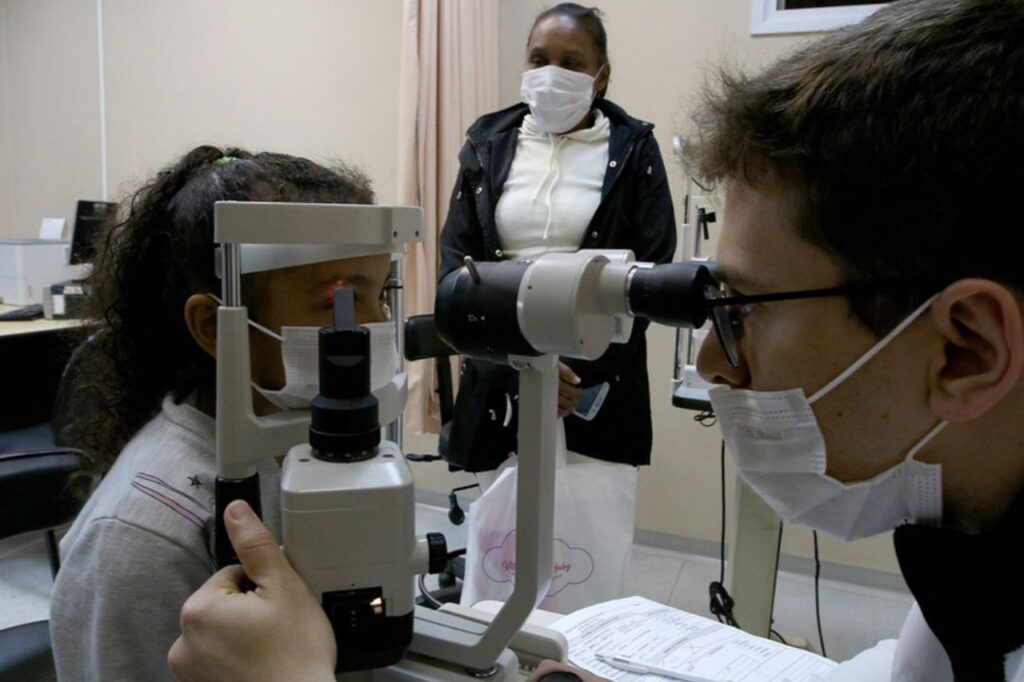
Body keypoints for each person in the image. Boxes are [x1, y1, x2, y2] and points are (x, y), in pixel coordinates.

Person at [168, 0, 1023, 680]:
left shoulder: (632, 151)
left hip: (593, 382)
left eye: (743, 307)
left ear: (967, 350)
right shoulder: (972, 567)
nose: (716, 363)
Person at [49, 145, 395, 681]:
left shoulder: (305, 448)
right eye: (339, 304)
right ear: (214, 327)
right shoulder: (140, 536)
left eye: (381, 295)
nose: (375, 325)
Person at [438, 2, 676, 478]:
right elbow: (458, 271)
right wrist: (518, 369)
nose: (551, 74)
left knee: (585, 543)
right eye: (539, 59)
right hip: (500, 379)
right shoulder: (486, 144)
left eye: (572, 63)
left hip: (596, 382)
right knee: (504, 541)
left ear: (601, 76)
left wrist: (570, 373)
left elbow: (647, 275)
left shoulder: (633, 150)